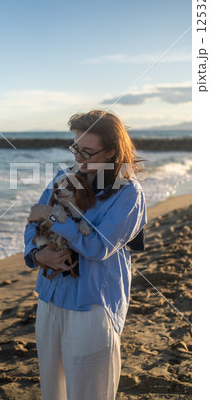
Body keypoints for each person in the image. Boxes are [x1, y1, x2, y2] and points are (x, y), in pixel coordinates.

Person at [24, 110, 147, 400]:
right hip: (50, 296)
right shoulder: (63, 177)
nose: (80, 158)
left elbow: (98, 247)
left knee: (90, 392)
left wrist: (54, 219)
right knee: (53, 391)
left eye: (88, 152)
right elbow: (33, 222)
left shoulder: (128, 194)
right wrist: (37, 255)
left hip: (93, 303)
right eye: (76, 148)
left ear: (113, 151)